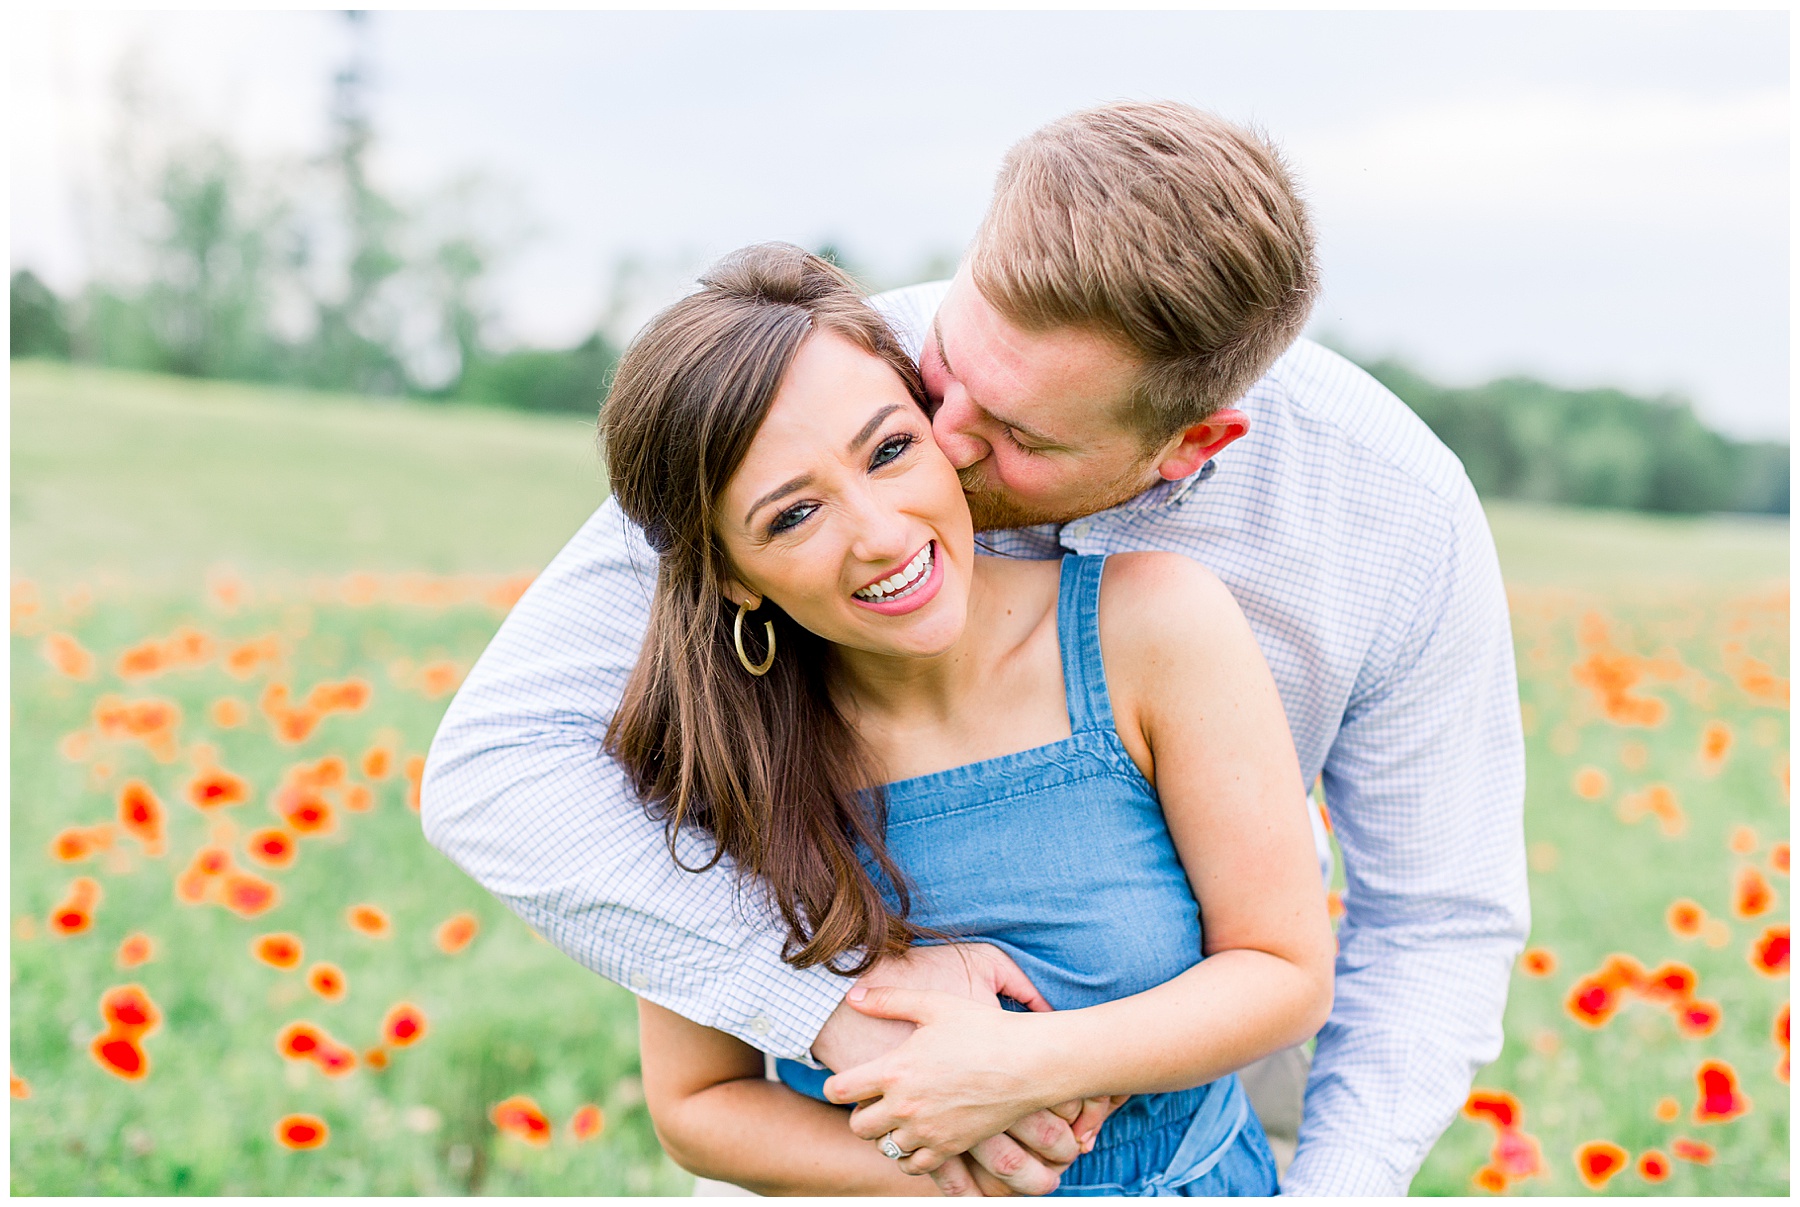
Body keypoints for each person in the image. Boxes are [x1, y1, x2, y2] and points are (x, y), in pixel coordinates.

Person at [422, 100, 1529, 1196]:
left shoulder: (1386, 517)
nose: (940, 445)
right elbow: (496, 767)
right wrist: (842, 1011)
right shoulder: (823, 385)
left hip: (1215, 1069)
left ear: (1191, 446)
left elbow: (1430, 925)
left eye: (1018, 436)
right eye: (946, 365)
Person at [599, 242, 1332, 1195]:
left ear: (938, 423)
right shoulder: (720, 759)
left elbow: (1282, 970)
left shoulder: (1151, 626)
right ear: (732, 574)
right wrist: (960, 1178)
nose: (882, 533)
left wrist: (1021, 1068)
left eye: (890, 450)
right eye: (793, 515)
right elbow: (698, 1104)